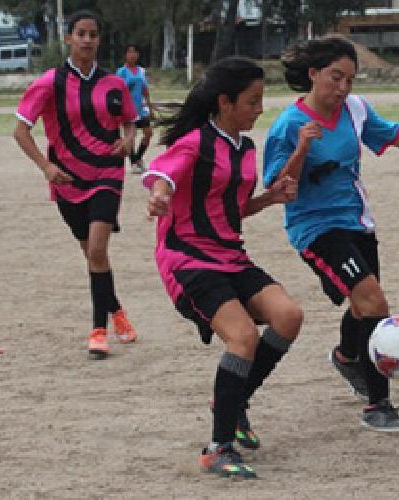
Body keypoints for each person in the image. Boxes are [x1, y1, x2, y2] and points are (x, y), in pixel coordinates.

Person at [263, 35, 399, 432]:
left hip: (356, 222)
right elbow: (278, 188)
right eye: (335, 78)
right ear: (313, 75)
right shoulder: (289, 125)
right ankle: (379, 405)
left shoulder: (355, 109)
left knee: (363, 305)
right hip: (315, 229)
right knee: (373, 302)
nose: (342, 88)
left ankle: (347, 357)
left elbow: (395, 135)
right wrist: (301, 149)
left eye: (349, 79)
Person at [144, 56, 304, 479]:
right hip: (187, 258)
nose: (259, 109)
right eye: (252, 101)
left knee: (289, 316)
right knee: (243, 336)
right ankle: (218, 447)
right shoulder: (196, 141)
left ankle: (232, 405)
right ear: (225, 102)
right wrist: (159, 194)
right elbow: (165, 171)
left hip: (229, 255)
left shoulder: (245, 149)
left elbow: (230, 211)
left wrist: (269, 199)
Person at [12, 10, 141, 359]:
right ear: (68, 38)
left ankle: (98, 330)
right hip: (68, 180)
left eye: (93, 34)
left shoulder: (113, 83)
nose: (87, 40)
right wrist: (46, 167)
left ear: (99, 39)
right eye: (80, 33)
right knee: (92, 255)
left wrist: (128, 139)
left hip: (107, 175)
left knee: (97, 250)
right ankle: (116, 311)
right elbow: (20, 130)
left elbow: (131, 122)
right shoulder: (49, 83)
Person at [116, 44, 157, 174]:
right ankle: (133, 162)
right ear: (125, 55)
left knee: (148, 133)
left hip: (141, 108)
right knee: (131, 136)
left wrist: (150, 106)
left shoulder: (141, 71)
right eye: (129, 52)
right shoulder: (121, 71)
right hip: (128, 108)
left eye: (134, 52)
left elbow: (145, 89)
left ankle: (138, 158)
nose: (132, 55)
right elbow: (117, 90)